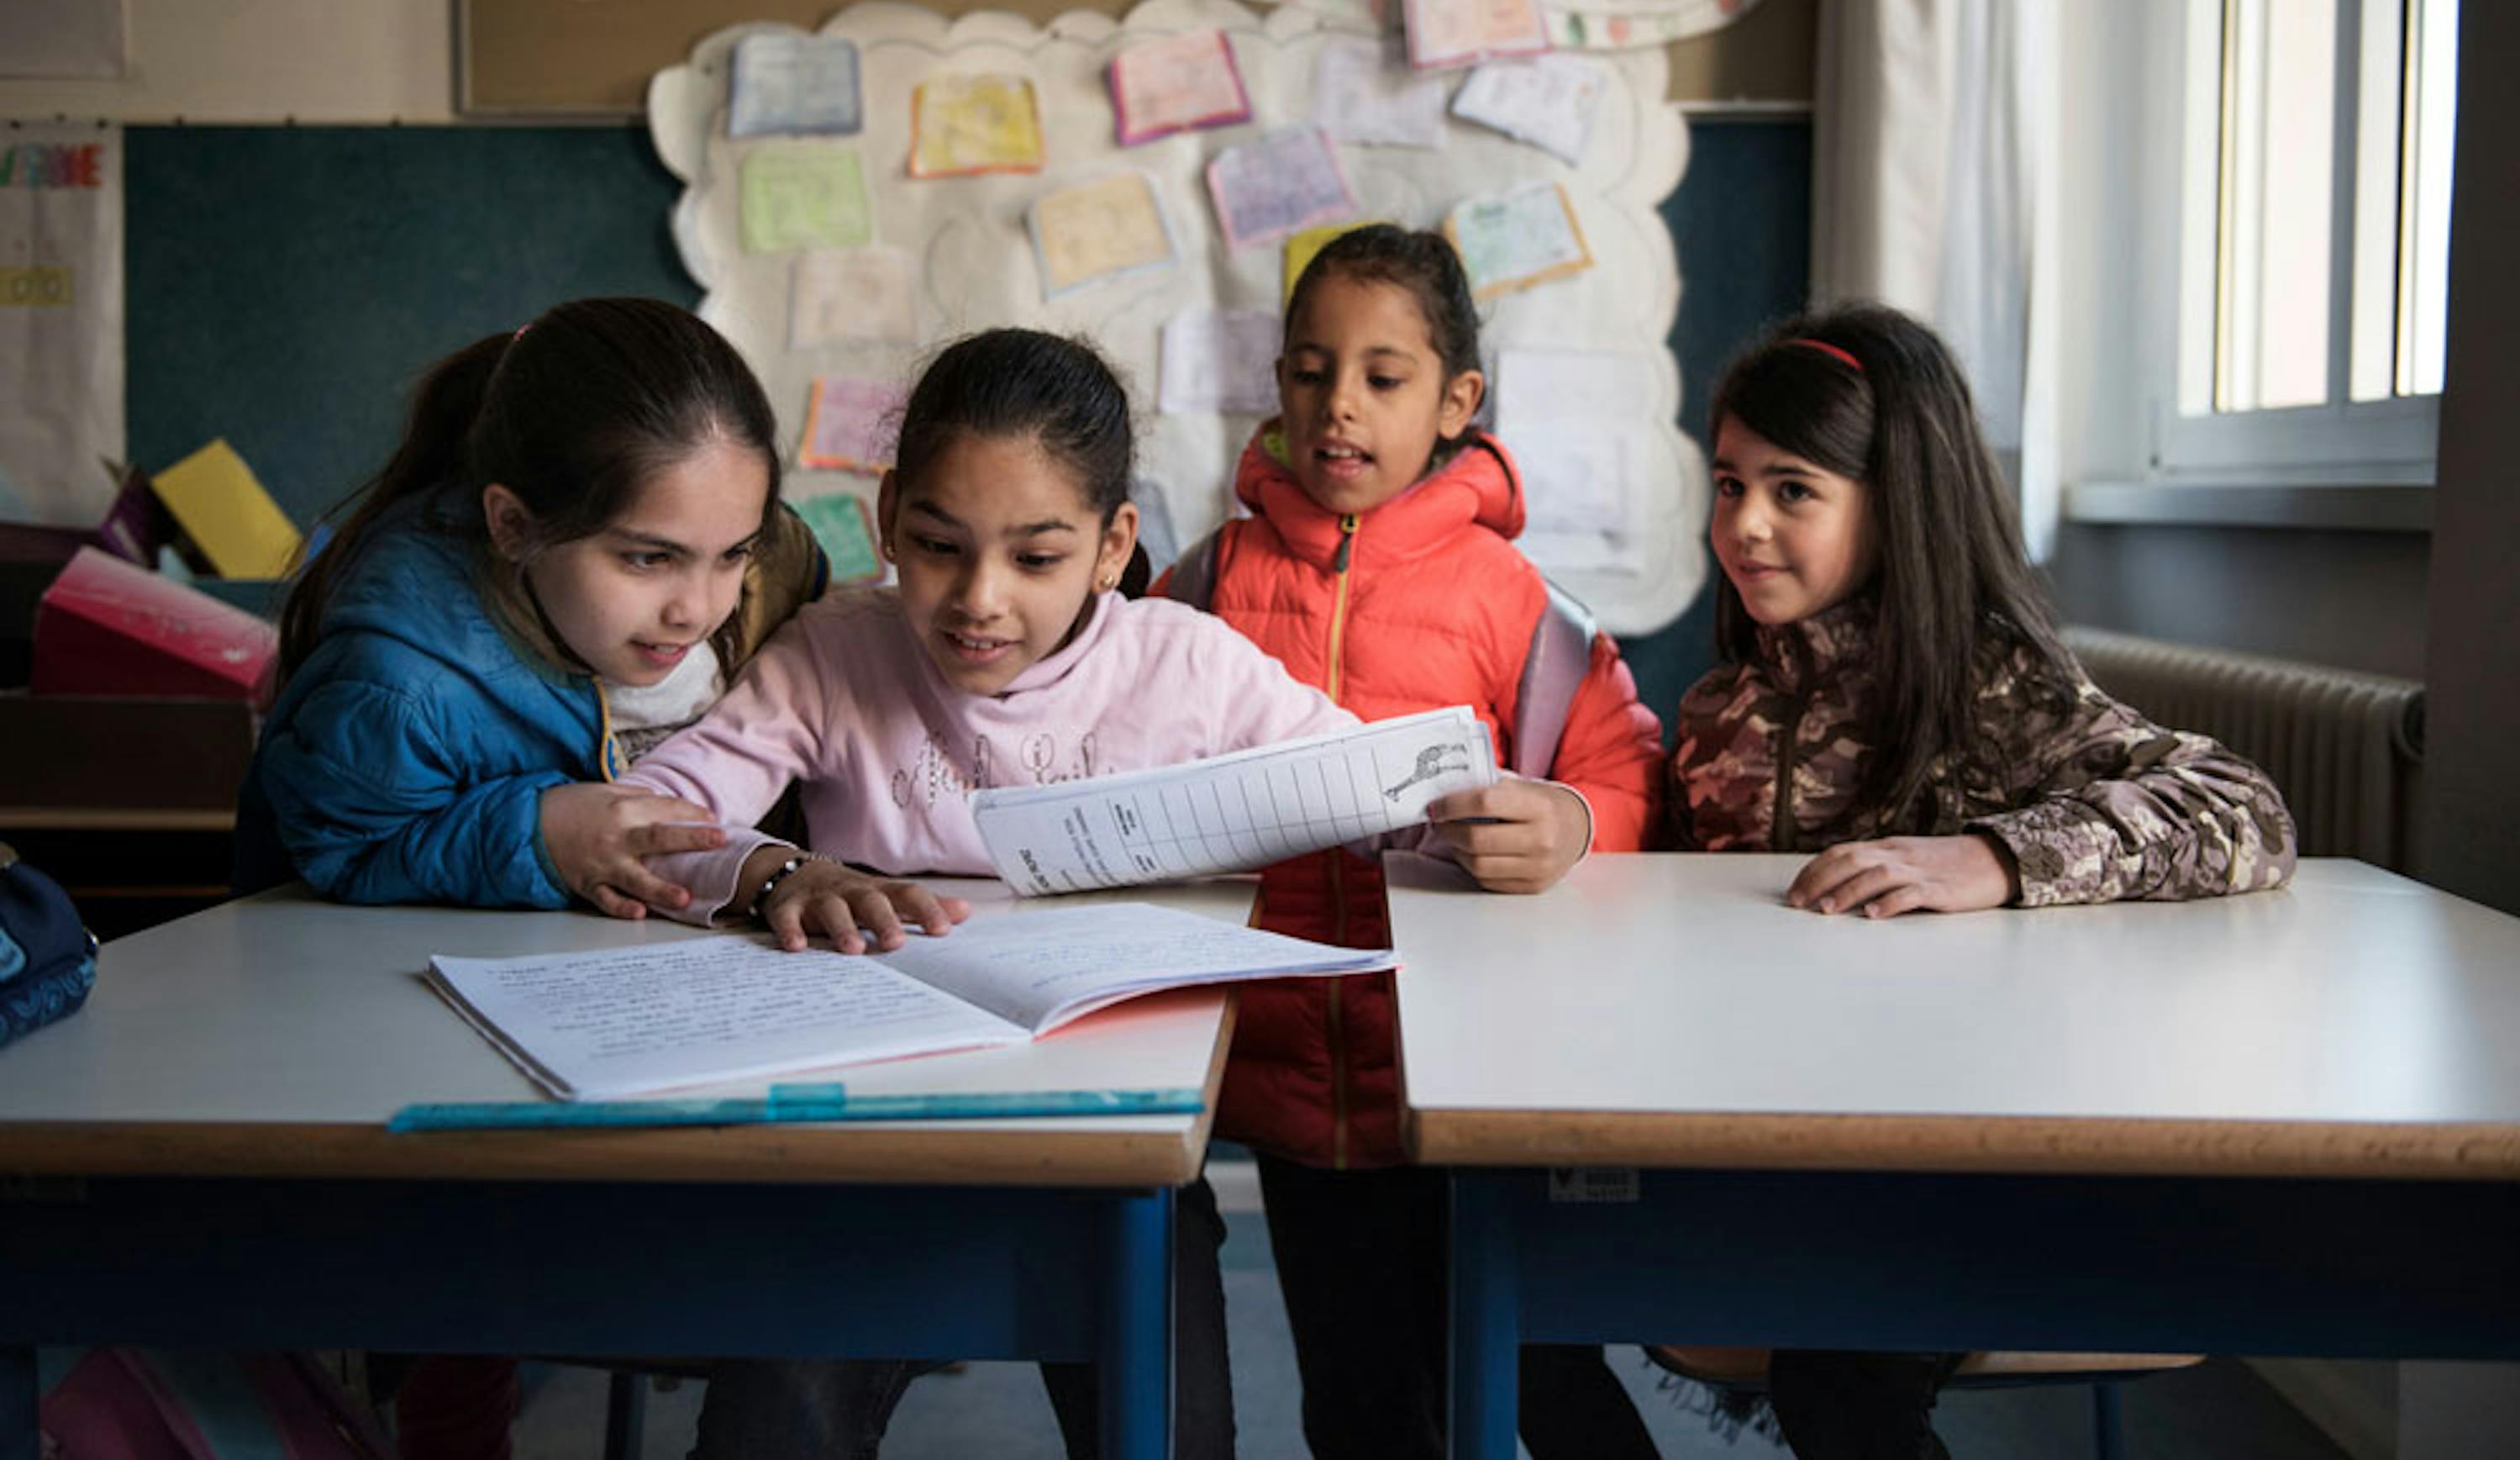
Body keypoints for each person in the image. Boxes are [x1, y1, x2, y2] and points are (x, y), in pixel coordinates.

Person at [566, 326, 1551, 1459]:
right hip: (867, 1143)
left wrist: (1532, 814)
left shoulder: (1186, 667)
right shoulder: (838, 654)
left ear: (1110, 544)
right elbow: (646, 818)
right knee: (774, 1429)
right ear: (887, 517)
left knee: (1178, 1435)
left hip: (1114, 1147)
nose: (977, 601)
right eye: (937, 545)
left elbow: (1394, 792)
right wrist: (775, 867)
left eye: (1036, 559)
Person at [1668, 303, 2297, 1459]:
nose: (1745, 525)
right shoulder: (1719, 713)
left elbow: (2240, 805)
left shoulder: (1989, 687)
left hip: (1958, 1162)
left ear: (1895, 500)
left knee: (1837, 1376)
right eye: (1727, 482)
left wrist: (1994, 859)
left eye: (1793, 489)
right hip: (1777, 1142)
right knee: (1509, 1282)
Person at [232, 295, 828, 1460]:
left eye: (728, 554)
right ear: (512, 525)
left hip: (630, 997)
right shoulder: (397, 679)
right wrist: (533, 833)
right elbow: (342, 850)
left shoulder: (761, 563)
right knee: (471, 1260)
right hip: (402, 1036)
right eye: (647, 559)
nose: (695, 605)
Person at [1155, 224, 1668, 1460]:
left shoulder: (1516, 600)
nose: (1339, 407)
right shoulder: (1200, 583)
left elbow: (1624, 769)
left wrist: (1575, 823)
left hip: (1469, 1072)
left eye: (1383, 378)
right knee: (1357, 1395)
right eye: (1309, 369)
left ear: (1456, 401)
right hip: (1284, 1074)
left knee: (1535, 1370)